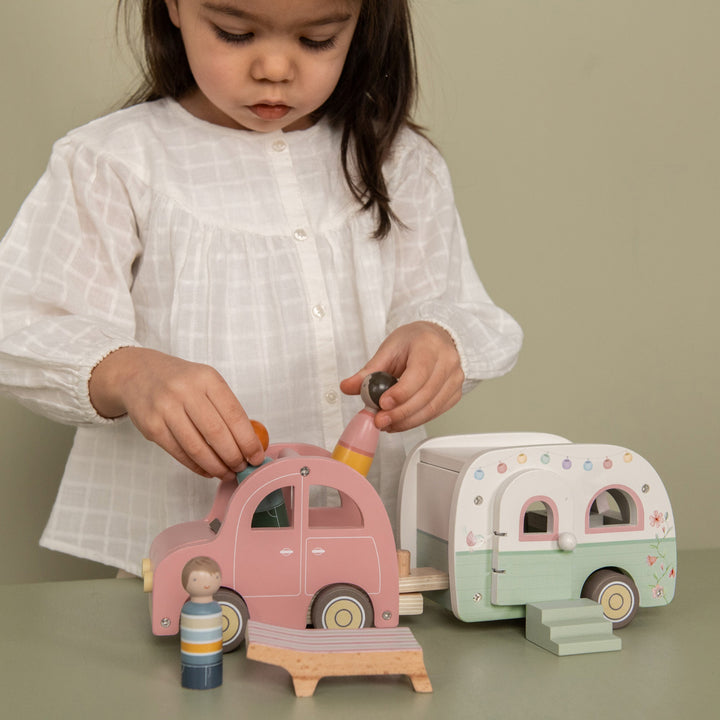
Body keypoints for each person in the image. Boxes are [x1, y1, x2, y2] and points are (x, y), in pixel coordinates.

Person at [0, 0, 523, 576]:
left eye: (317, 39)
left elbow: (454, 305)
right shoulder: (113, 161)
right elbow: (22, 324)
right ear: (174, 7)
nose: (275, 69)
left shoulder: (399, 160)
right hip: (187, 557)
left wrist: (439, 342)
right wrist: (127, 372)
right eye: (235, 33)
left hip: (365, 549)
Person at [180, 556, 223, 689]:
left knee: (213, 661)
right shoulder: (188, 609)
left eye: (215, 577)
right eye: (195, 580)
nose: (206, 584)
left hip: (214, 661)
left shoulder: (216, 609)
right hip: (190, 663)